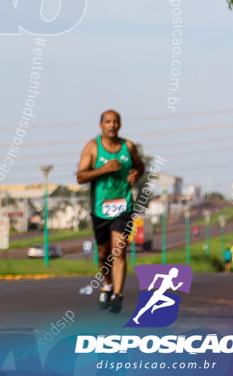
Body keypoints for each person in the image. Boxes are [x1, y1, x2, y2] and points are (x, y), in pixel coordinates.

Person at [76, 109, 144, 314]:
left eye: (115, 122)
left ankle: (118, 295)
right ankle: (107, 284)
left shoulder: (128, 147)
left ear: (120, 125)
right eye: (108, 121)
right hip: (100, 208)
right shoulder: (92, 147)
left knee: (119, 249)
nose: (112, 125)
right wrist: (104, 169)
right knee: (104, 254)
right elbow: (80, 177)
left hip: (124, 206)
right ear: (101, 125)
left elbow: (140, 167)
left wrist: (135, 175)